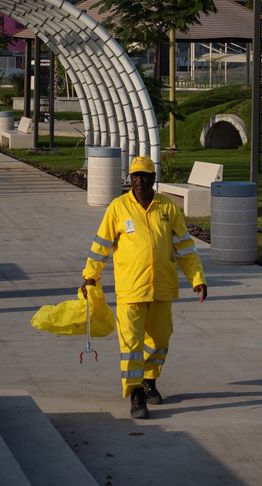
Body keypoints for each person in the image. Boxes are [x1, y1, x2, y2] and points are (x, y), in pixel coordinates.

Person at [80, 155, 207, 420]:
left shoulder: (167, 207)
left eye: (144, 176)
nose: (139, 180)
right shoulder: (118, 208)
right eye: (135, 175)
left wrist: (197, 278)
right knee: (131, 344)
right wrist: (90, 276)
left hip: (161, 287)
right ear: (130, 178)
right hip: (130, 289)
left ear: (153, 178)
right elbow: (101, 245)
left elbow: (185, 247)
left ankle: (150, 379)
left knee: (160, 340)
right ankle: (136, 392)